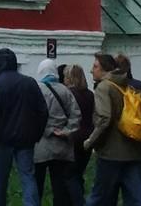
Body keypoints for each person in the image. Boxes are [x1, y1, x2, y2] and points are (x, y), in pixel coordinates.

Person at [84, 52, 141, 206]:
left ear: (105, 69)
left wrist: (90, 142)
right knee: (138, 198)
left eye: (95, 66)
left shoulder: (104, 87)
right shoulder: (125, 85)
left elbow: (104, 118)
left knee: (99, 197)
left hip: (111, 153)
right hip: (133, 150)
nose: (91, 70)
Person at [0, 48, 49, 206]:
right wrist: (36, 135)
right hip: (25, 140)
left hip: (1, 141)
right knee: (28, 178)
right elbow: (42, 111)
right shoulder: (29, 82)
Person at [34, 58, 84, 206]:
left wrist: (47, 130)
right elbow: (76, 115)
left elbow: (33, 117)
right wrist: (66, 131)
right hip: (62, 145)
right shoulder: (65, 90)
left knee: (37, 184)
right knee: (59, 186)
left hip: (40, 145)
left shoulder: (36, 90)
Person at [65, 64, 97, 198]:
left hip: (73, 137)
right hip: (87, 138)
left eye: (66, 76)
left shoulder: (69, 94)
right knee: (79, 173)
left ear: (70, 78)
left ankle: (78, 201)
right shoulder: (90, 95)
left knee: (70, 175)